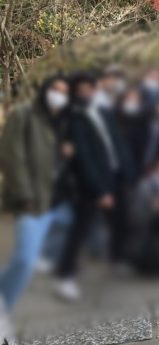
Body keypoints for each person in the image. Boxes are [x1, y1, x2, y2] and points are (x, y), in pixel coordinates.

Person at [55, 72, 135, 300]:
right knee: (81, 227)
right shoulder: (74, 119)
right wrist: (100, 190)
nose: (86, 93)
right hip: (92, 182)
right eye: (81, 90)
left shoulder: (103, 112)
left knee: (120, 220)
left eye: (89, 89)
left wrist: (128, 174)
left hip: (116, 175)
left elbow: (118, 142)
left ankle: (117, 259)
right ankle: (65, 275)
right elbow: (84, 158)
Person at [0, 76, 71, 311]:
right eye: (55, 89)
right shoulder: (24, 114)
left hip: (58, 200)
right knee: (24, 260)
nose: (59, 95)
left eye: (65, 92)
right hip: (32, 201)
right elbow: (11, 156)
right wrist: (24, 194)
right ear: (45, 89)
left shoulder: (62, 120)